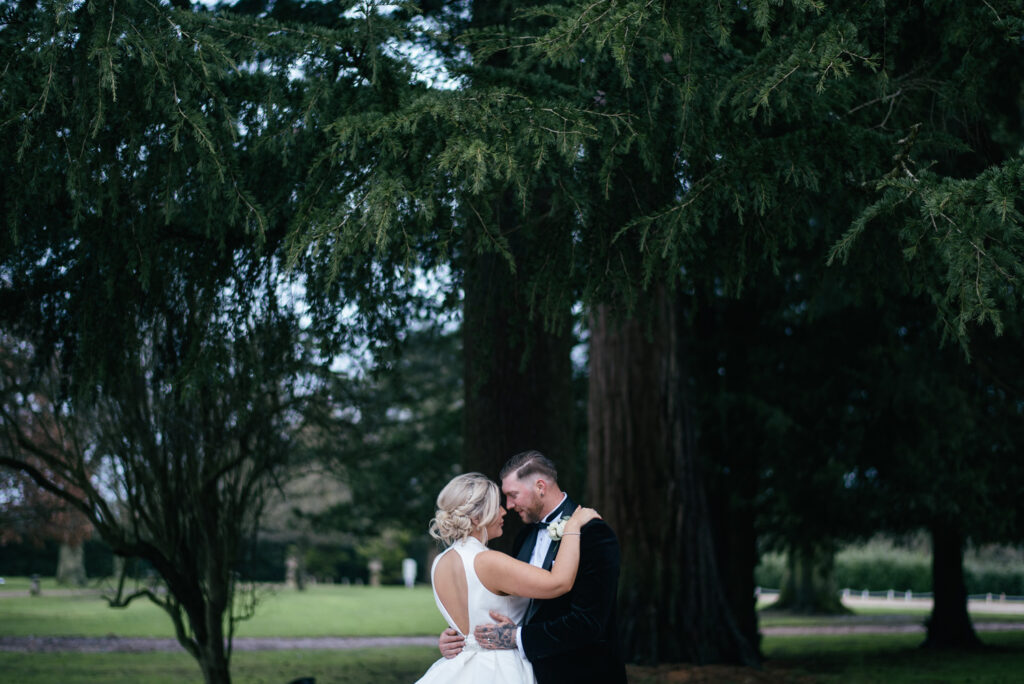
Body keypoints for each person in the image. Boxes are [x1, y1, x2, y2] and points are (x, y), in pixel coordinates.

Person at [439, 451, 627, 684]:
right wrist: (464, 637)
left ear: (540, 487)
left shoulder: (592, 533)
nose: (508, 506)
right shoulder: (524, 536)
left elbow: (589, 623)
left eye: (512, 495)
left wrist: (516, 636)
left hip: (582, 674)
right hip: (524, 672)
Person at [414, 471, 601, 684]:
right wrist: (573, 527)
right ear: (477, 518)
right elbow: (559, 583)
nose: (504, 511)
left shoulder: (440, 562)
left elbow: (471, 614)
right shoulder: (488, 561)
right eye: (497, 507)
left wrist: (454, 636)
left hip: (459, 666)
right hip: (498, 668)